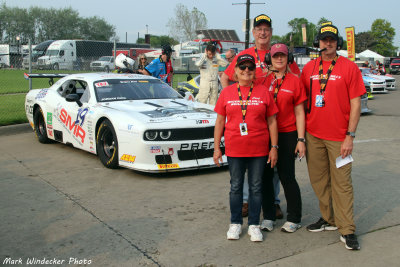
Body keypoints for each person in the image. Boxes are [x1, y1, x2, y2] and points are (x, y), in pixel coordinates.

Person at [300, 24, 365, 250]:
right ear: (318, 41)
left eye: (332, 40)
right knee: (319, 181)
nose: (328, 43)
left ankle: (347, 230)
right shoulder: (309, 67)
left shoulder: (349, 67)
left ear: (338, 42)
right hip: (313, 135)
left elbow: (356, 103)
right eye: (324, 39)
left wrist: (350, 135)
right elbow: (301, 101)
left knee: (342, 184)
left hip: (339, 138)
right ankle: (329, 218)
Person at [213, 54, 278, 242]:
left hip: (259, 149)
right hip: (235, 148)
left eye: (250, 68)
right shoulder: (226, 92)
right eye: (242, 68)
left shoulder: (263, 91)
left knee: (256, 187)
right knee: (235, 186)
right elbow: (219, 121)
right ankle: (235, 223)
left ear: (254, 72)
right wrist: (217, 147)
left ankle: (254, 225)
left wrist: (274, 147)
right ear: (235, 72)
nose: (246, 71)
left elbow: (272, 121)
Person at [259, 43, 306, 233]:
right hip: (265, 134)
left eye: (283, 56)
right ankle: (268, 216)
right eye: (275, 56)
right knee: (265, 177)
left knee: (287, 176)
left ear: (289, 59)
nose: (279, 59)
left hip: (287, 134)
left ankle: (294, 217)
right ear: (270, 58)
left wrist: (301, 140)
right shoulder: (262, 80)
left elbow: (300, 112)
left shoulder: (295, 81)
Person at [221, 14, 300, 88]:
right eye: (259, 29)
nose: (263, 33)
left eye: (266, 30)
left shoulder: (281, 54)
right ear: (253, 32)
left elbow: (298, 78)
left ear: (271, 32)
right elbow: (224, 78)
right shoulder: (244, 55)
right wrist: (230, 98)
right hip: (253, 101)